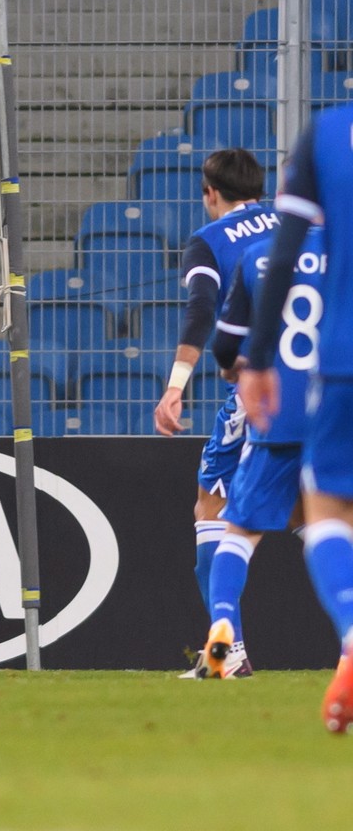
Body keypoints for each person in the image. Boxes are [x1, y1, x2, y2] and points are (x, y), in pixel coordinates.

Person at [238, 105, 353, 732]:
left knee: (327, 508)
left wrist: (258, 359)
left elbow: (282, 257)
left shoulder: (329, 133)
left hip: (341, 361)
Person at [152, 148, 278, 679]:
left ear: (209, 193)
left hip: (262, 385)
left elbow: (203, 310)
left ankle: (229, 651)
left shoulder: (211, 242)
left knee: (214, 508)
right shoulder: (300, 224)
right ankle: (224, 653)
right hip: (329, 378)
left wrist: (175, 386)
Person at [197, 229, 322, 678]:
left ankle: (224, 629)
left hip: (276, 413)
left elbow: (226, 348)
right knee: (330, 527)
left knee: (240, 532)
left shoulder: (258, 256)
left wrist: (237, 367)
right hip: (336, 413)